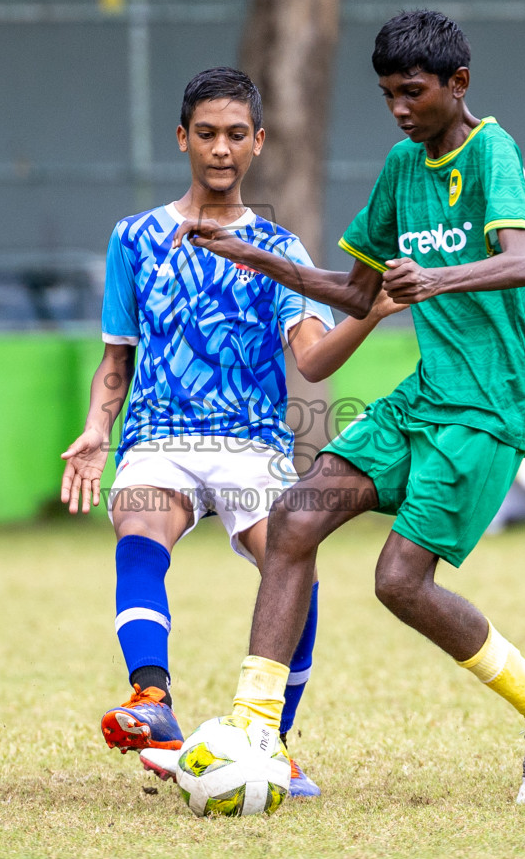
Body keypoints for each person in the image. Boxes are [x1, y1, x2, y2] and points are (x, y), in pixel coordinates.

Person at [174, 13, 525, 804]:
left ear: (458, 84)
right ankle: (255, 727)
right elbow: (357, 292)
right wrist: (255, 257)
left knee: (399, 582)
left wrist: (435, 281)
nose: (400, 109)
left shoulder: (491, 152)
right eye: (387, 95)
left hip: (487, 405)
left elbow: (524, 261)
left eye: (414, 92)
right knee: (297, 517)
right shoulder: (403, 167)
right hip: (427, 395)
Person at [60, 66, 405, 799]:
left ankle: (271, 742)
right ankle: (151, 699)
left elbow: (310, 357)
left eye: (236, 136)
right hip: (158, 435)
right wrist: (97, 427)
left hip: (251, 444)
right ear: (183, 139)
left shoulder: (279, 250)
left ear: (258, 145)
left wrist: (366, 316)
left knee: (294, 562)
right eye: (207, 134)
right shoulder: (135, 239)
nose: (221, 149)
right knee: (139, 527)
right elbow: (117, 358)